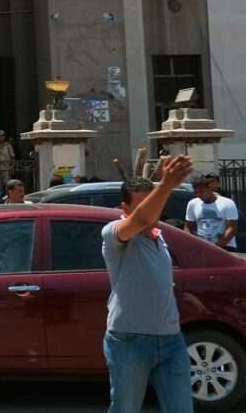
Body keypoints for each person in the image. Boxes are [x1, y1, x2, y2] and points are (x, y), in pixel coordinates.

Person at [102, 155, 195, 413]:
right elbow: (141, 219)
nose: (152, 209)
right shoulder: (113, 231)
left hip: (171, 339)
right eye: (142, 204)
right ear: (125, 208)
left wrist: (164, 187)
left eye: (154, 201)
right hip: (129, 340)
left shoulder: (160, 237)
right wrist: (165, 186)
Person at [185, 174, 238, 250]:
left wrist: (215, 248)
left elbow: (232, 229)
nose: (199, 195)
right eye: (196, 192)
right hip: (202, 249)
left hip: (225, 248)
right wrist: (194, 244)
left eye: (201, 191)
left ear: (209, 188)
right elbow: (188, 227)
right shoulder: (192, 204)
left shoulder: (227, 203)